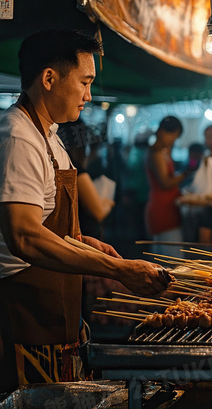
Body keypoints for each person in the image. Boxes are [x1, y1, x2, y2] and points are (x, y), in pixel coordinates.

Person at [0, 29, 170, 392]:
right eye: (84, 82)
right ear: (49, 78)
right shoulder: (19, 138)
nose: (89, 96)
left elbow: (50, 229)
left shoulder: (50, 138)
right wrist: (119, 269)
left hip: (56, 319)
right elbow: (24, 236)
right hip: (22, 320)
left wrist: (83, 244)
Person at [144, 115, 188, 255]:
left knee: (163, 257)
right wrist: (186, 174)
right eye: (172, 136)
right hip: (163, 210)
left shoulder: (161, 151)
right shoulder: (156, 153)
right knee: (174, 259)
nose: (173, 141)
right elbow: (165, 183)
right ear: (162, 131)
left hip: (166, 208)